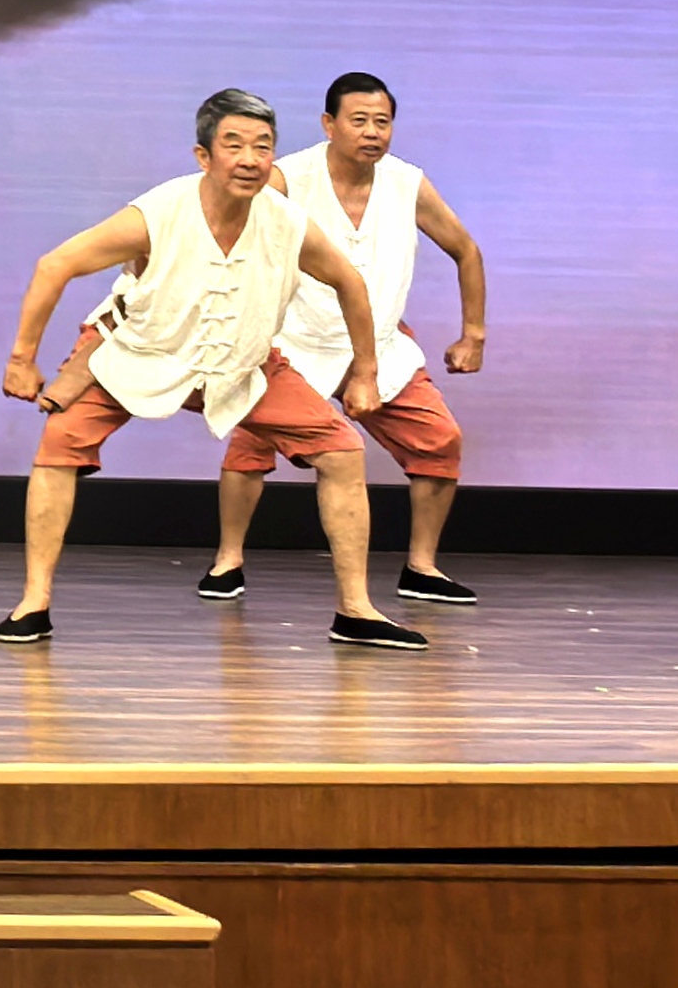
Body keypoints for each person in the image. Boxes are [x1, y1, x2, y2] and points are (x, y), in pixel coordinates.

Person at [0, 88, 424, 650]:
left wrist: (365, 371)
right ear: (204, 156)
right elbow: (56, 265)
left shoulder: (287, 222)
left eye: (262, 146)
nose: (249, 159)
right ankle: (33, 603)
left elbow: (349, 281)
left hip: (240, 364)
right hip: (139, 353)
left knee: (342, 450)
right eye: (234, 145)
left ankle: (355, 610)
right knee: (60, 445)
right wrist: (22, 359)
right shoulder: (158, 213)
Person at [203, 71, 487, 606]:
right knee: (250, 444)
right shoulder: (288, 179)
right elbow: (231, 234)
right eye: (359, 121)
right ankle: (228, 558)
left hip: (379, 347)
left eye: (382, 122)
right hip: (294, 343)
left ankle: (421, 567)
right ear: (329, 125)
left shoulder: (406, 182)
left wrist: (474, 334)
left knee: (440, 440)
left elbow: (465, 250)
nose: (372, 132)